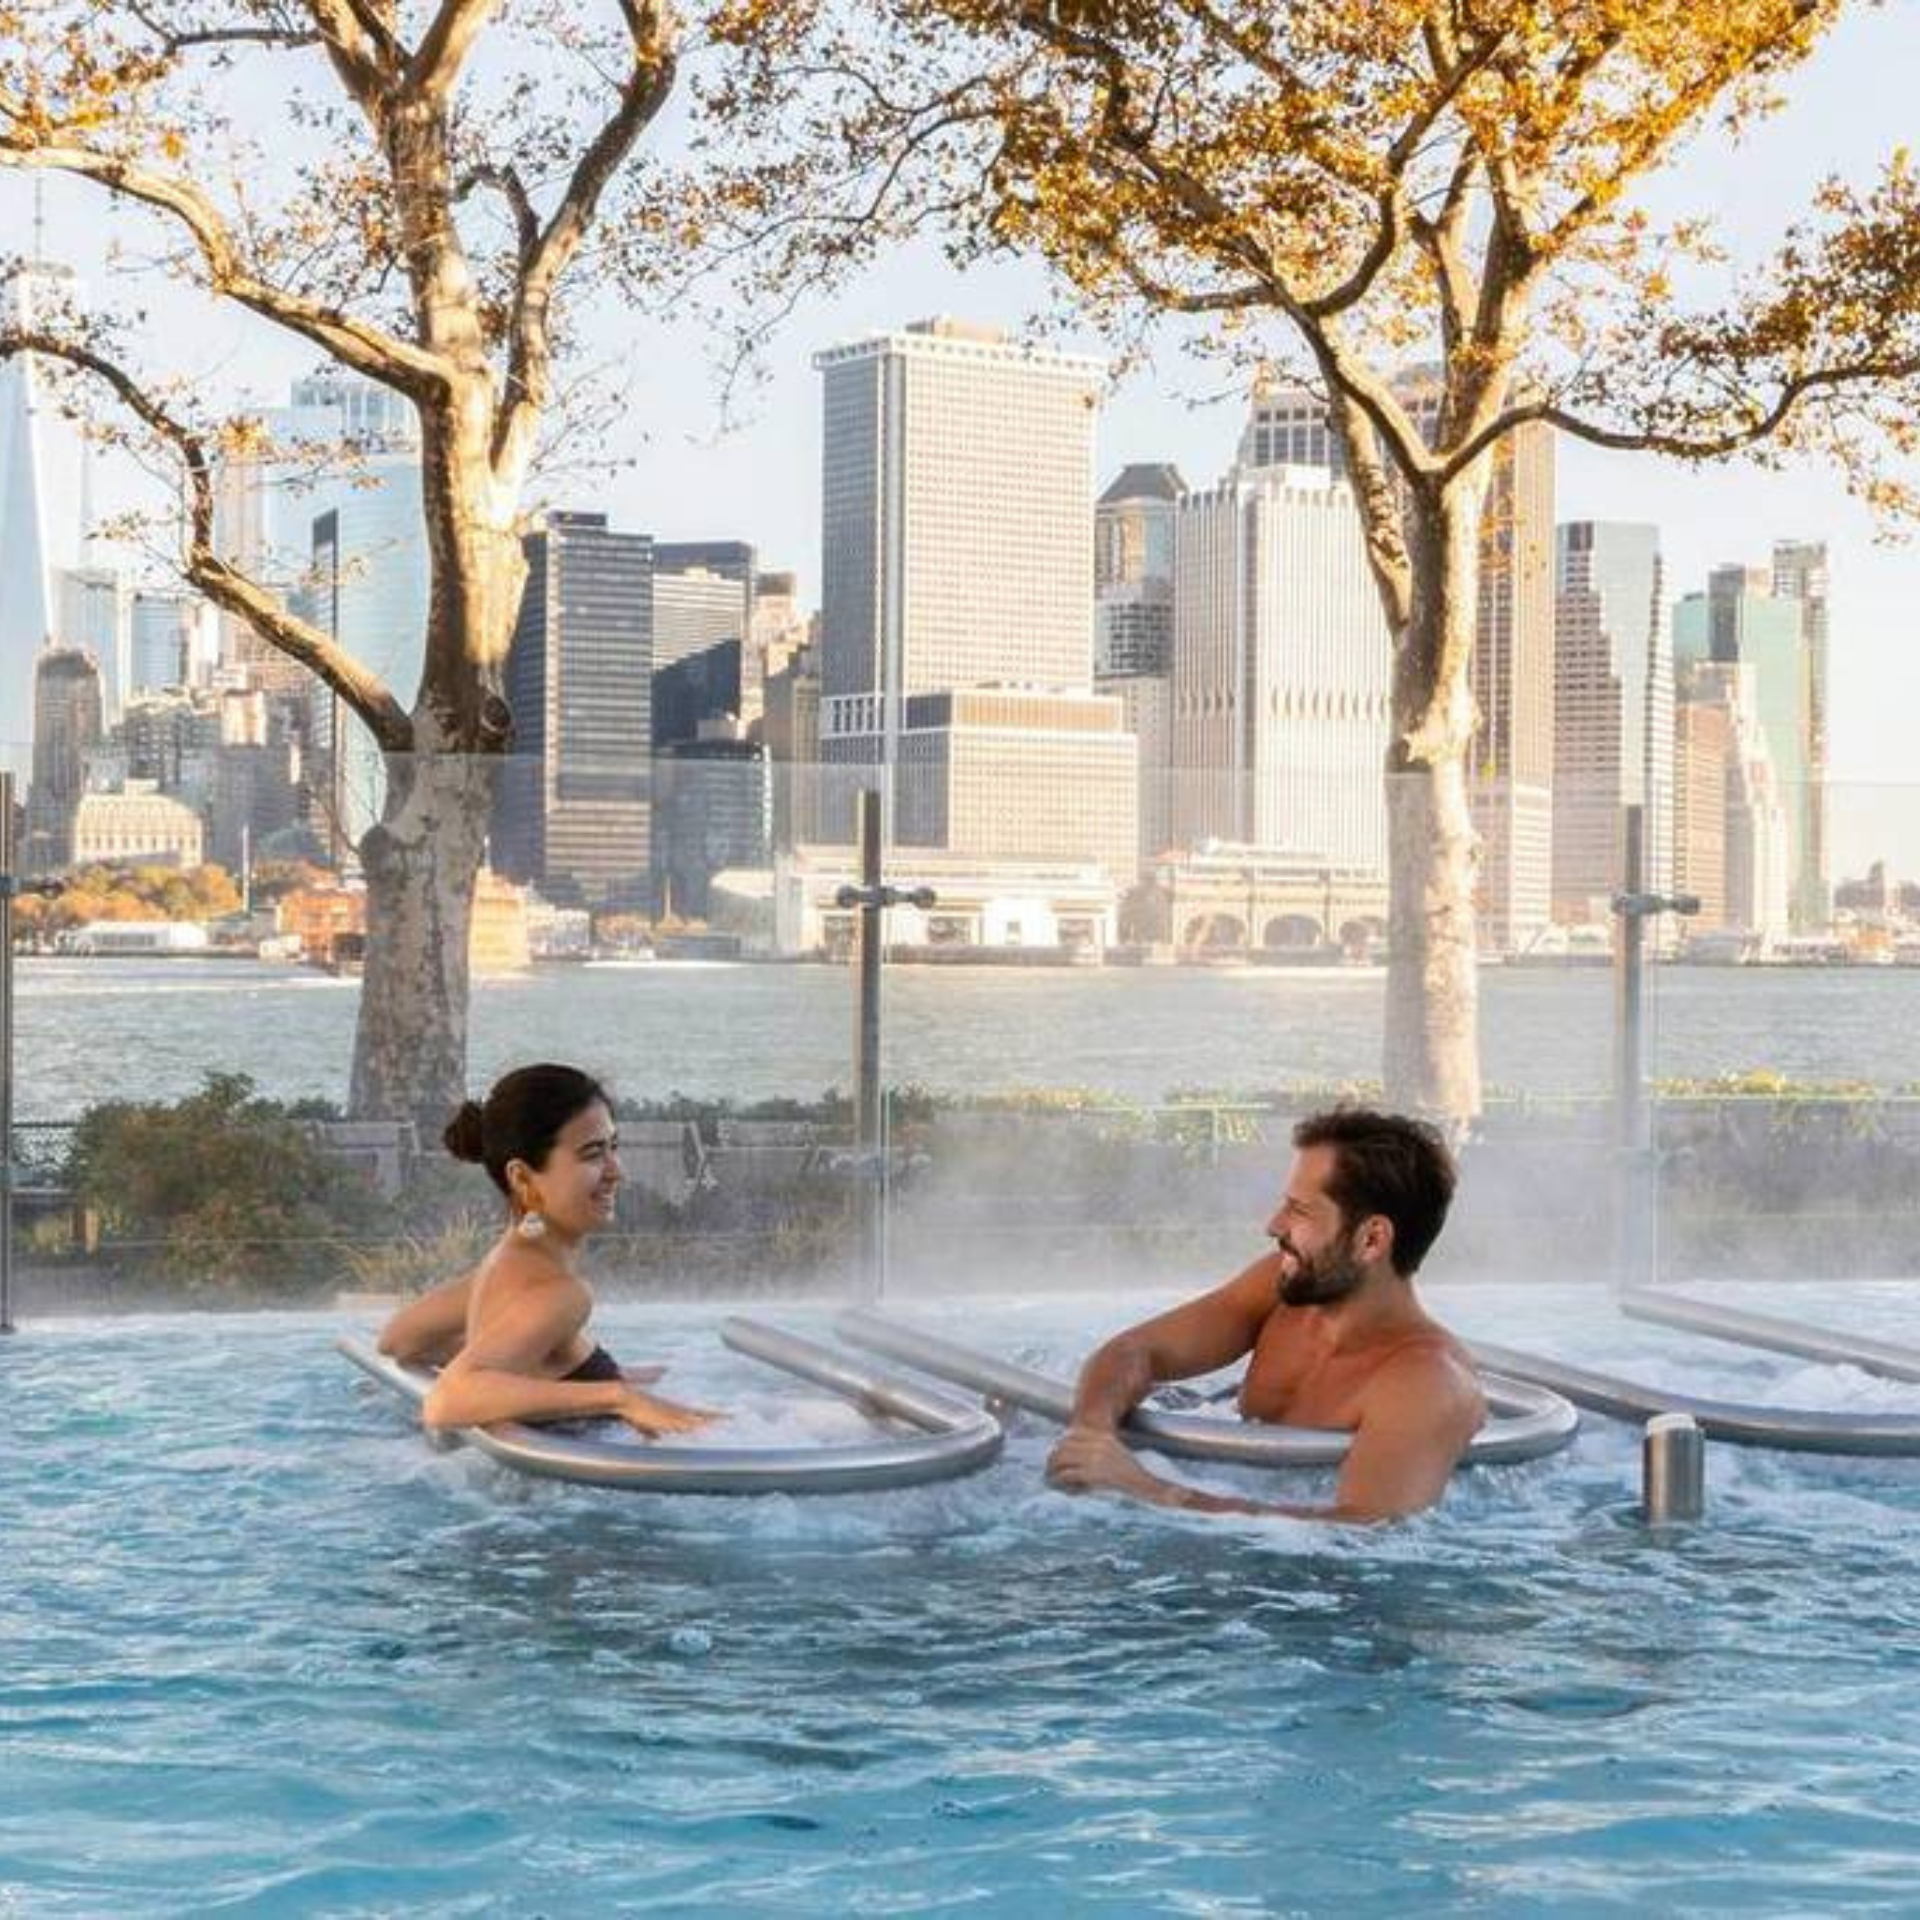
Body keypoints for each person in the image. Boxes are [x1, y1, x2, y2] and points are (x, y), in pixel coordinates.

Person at [1047, 1108, 1483, 1523]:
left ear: (1371, 1239)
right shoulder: (1281, 1289)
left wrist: (1153, 1491)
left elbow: (1362, 1533)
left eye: (1300, 1211)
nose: (1274, 1225)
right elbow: (1136, 1351)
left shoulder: (1425, 1383)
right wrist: (1092, 1434)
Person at [376, 1064, 720, 1439]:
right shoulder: (561, 1294)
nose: (615, 1170)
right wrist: (618, 1397)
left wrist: (526, 1370)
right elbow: (445, 1401)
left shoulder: (500, 1267)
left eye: (613, 1147)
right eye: (592, 1154)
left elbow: (398, 1339)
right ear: (522, 1178)